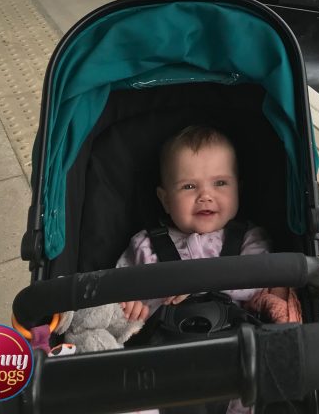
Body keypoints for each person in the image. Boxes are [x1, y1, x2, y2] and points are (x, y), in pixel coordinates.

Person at [116, 125, 270, 414]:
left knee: (262, 383)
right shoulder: (145, 244)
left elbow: (258, 281)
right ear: (164, 198)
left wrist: (197, 282)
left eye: (220, 183)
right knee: (129, 393)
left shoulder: (249, 239)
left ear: (238, 187)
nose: (205, 196)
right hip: (161, 361)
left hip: (234, 356)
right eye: (189, 186)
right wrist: (132, 306)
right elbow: (120, 289)